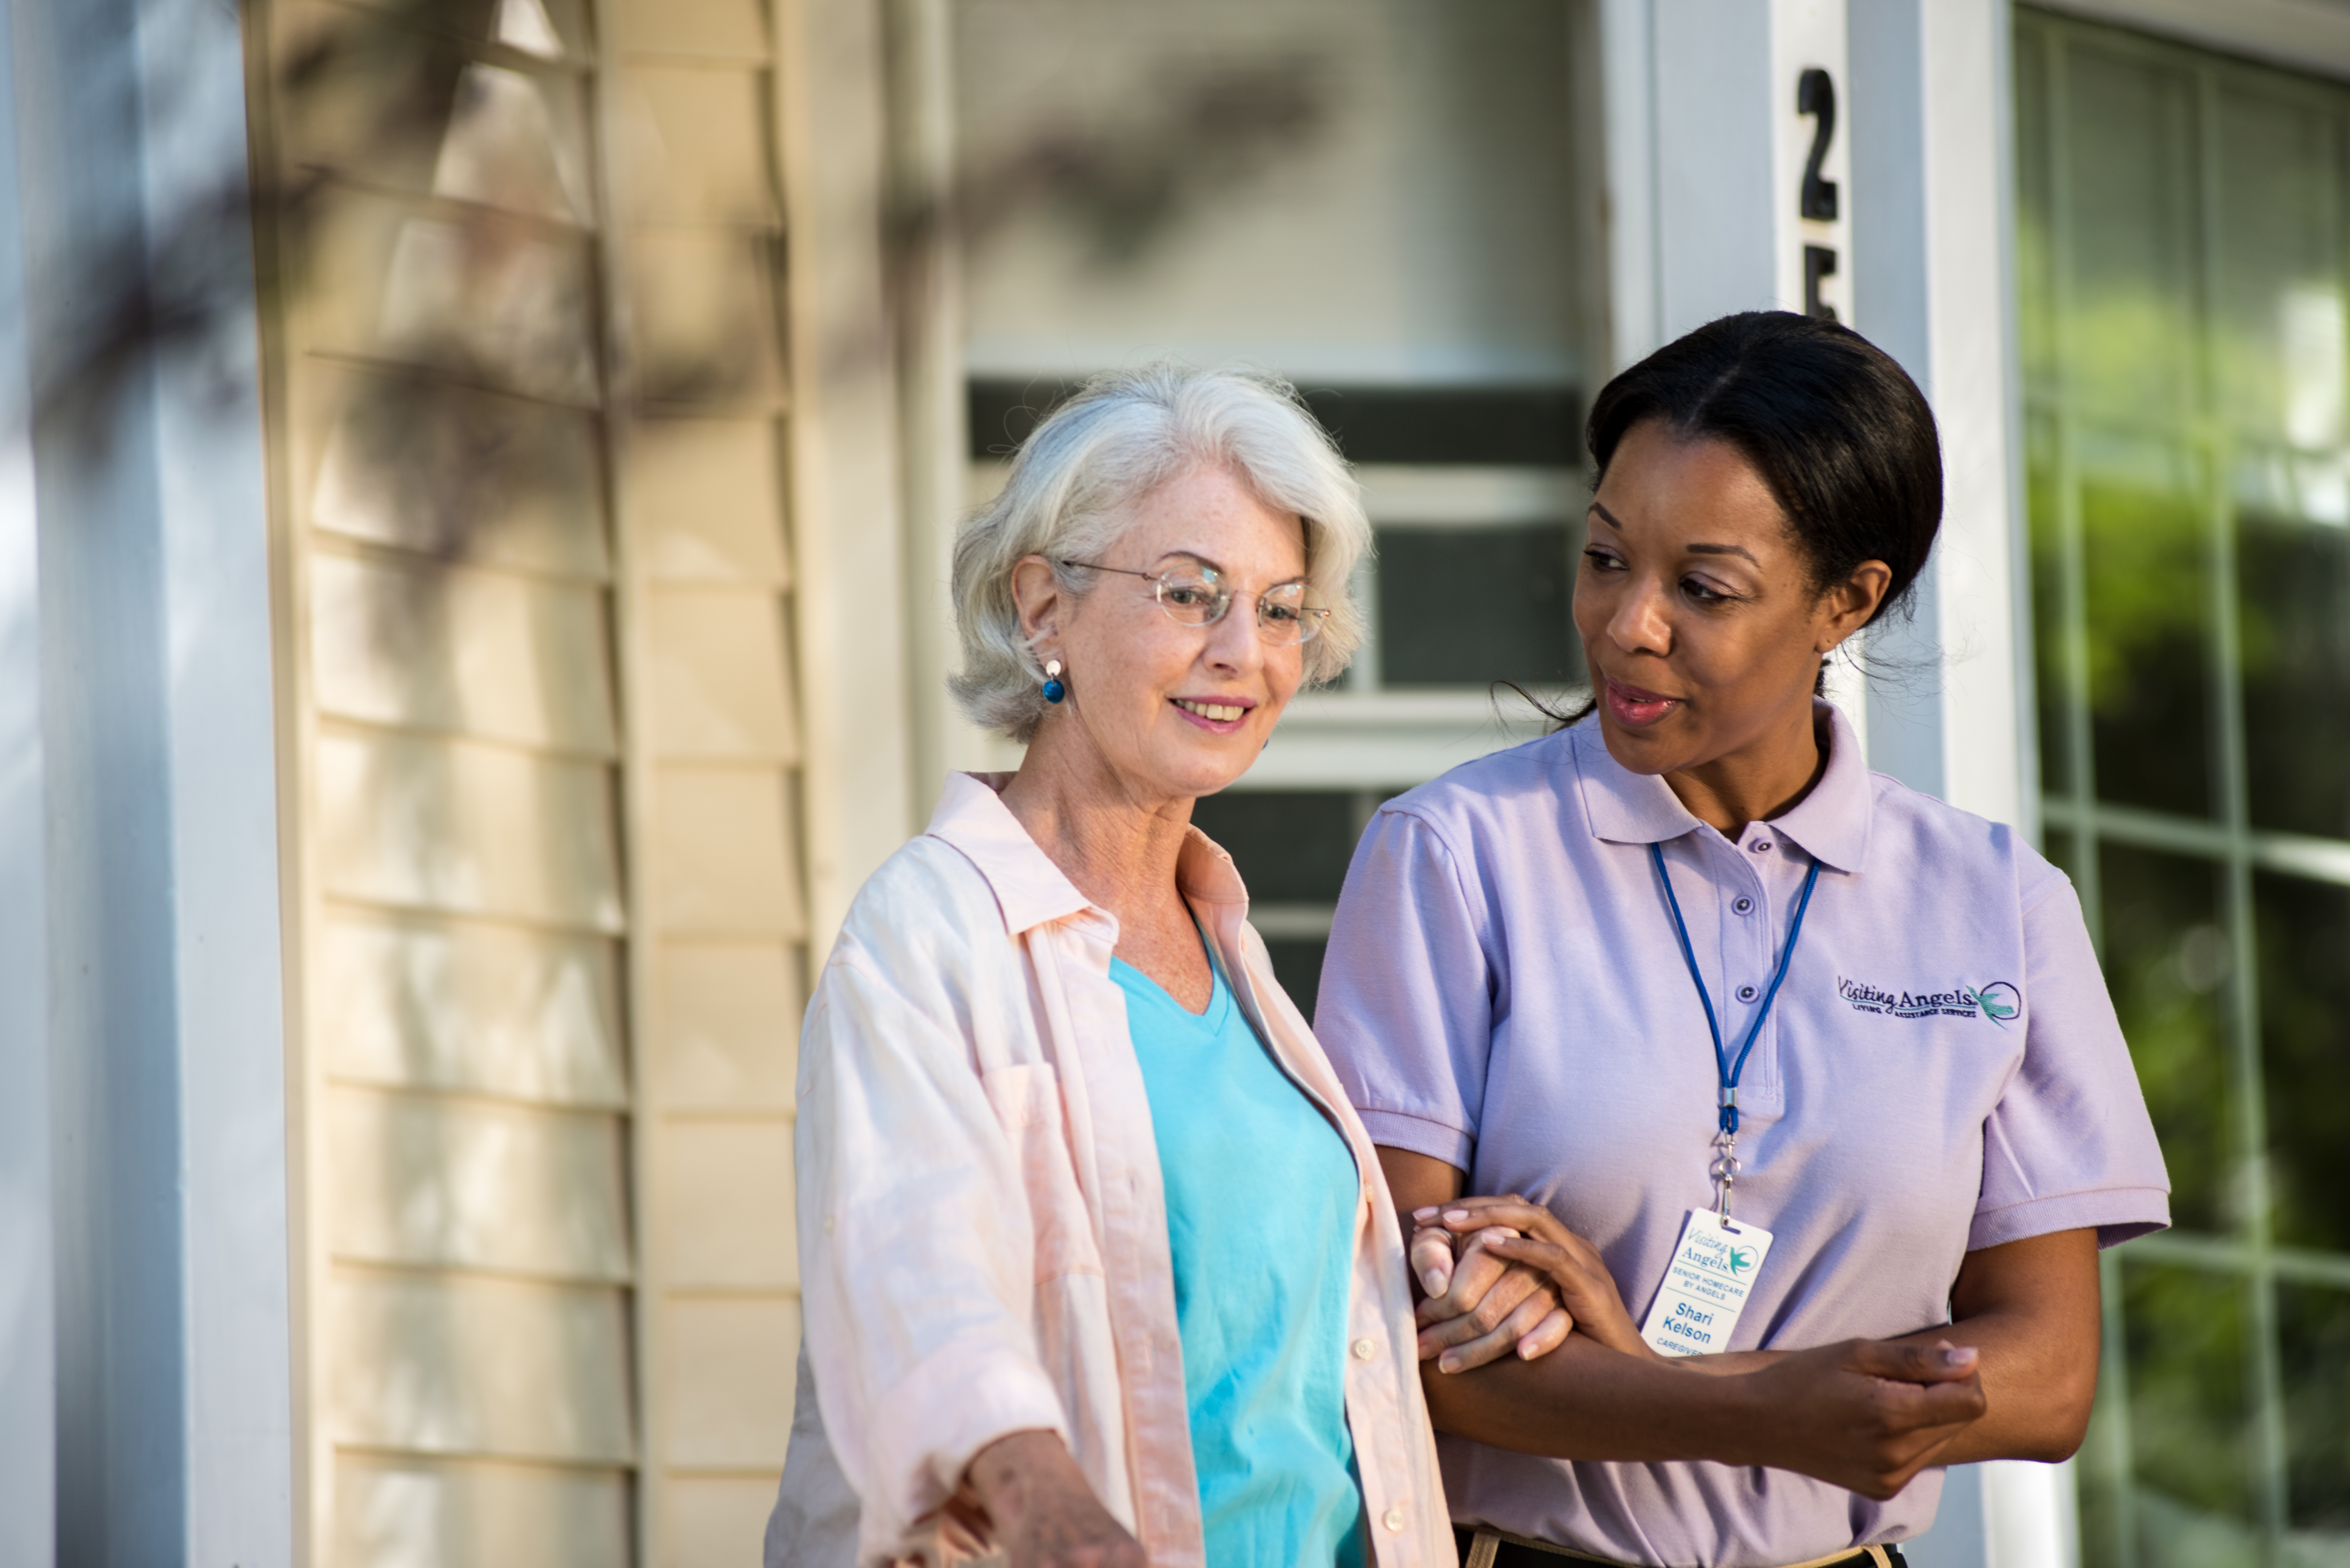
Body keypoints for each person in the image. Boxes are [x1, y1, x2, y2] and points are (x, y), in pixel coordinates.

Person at [1312, 312, 2171, 1568]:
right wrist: (1773, 1407)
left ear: (1846, 602)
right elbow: (1396, 1345)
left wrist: (1648, 1362)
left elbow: (2045, 1381)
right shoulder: (1453, 854)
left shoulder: (1999, 905)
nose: (1626, 624)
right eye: (1606, 557)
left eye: (1701, 588)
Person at [764, 363, 1470, 1568]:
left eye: (1282, 608)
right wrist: (1045, 1507)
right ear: (1044, 609)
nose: (1244, 653)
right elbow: (912, 1270)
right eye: (1193, 595)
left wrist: (1469, 1269)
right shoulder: (930, 930)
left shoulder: (1232, 951)